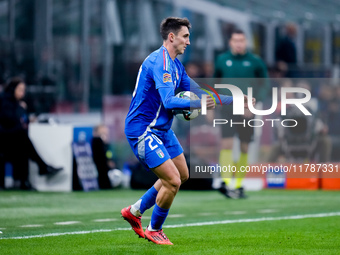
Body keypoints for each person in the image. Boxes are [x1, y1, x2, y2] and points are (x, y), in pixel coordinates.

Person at [120, 17, 246, 245]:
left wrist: (235, 100)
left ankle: (135, 210)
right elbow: (168, 102)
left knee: (183, 175)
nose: (189, 41)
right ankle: (154, 229)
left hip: (162, 130)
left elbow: (201, 92)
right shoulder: (160, 63)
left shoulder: (177, 66)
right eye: (185, 36)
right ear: (172, 37)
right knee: (173, 181)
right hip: (143, 131)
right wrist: (197, 104)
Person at [214, 29, 269, 199]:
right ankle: (226, 182)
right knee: (226, 144)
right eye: (235, 40)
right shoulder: (222, 60)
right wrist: (212, 104)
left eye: (241, 40)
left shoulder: (255, 62)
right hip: (227, 107)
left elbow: (265, 85)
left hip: (247, 110)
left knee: (244, 146)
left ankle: (238, 185)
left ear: (246, 43)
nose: (238, 43)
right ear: (230, 42)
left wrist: (253, 104)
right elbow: (215, 82)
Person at [0, 77, 62, 190]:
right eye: (20, 89)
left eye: (23, 90)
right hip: (4, 138)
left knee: (23, 144)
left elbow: (21, 121)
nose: (22, 93)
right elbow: (11, 120)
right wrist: (20, 109)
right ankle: (42, 167)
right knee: (23, 139)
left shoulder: (17, 103)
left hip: (13, 138)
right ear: (13, 89)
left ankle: (28, 178)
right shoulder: (5, 102)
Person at [91, 124, 117, 189]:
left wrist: (109, 159)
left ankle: (106, 185)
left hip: (104, 161)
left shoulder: (106, 143)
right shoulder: (96, 140)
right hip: (99, 161)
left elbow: (107, 153)